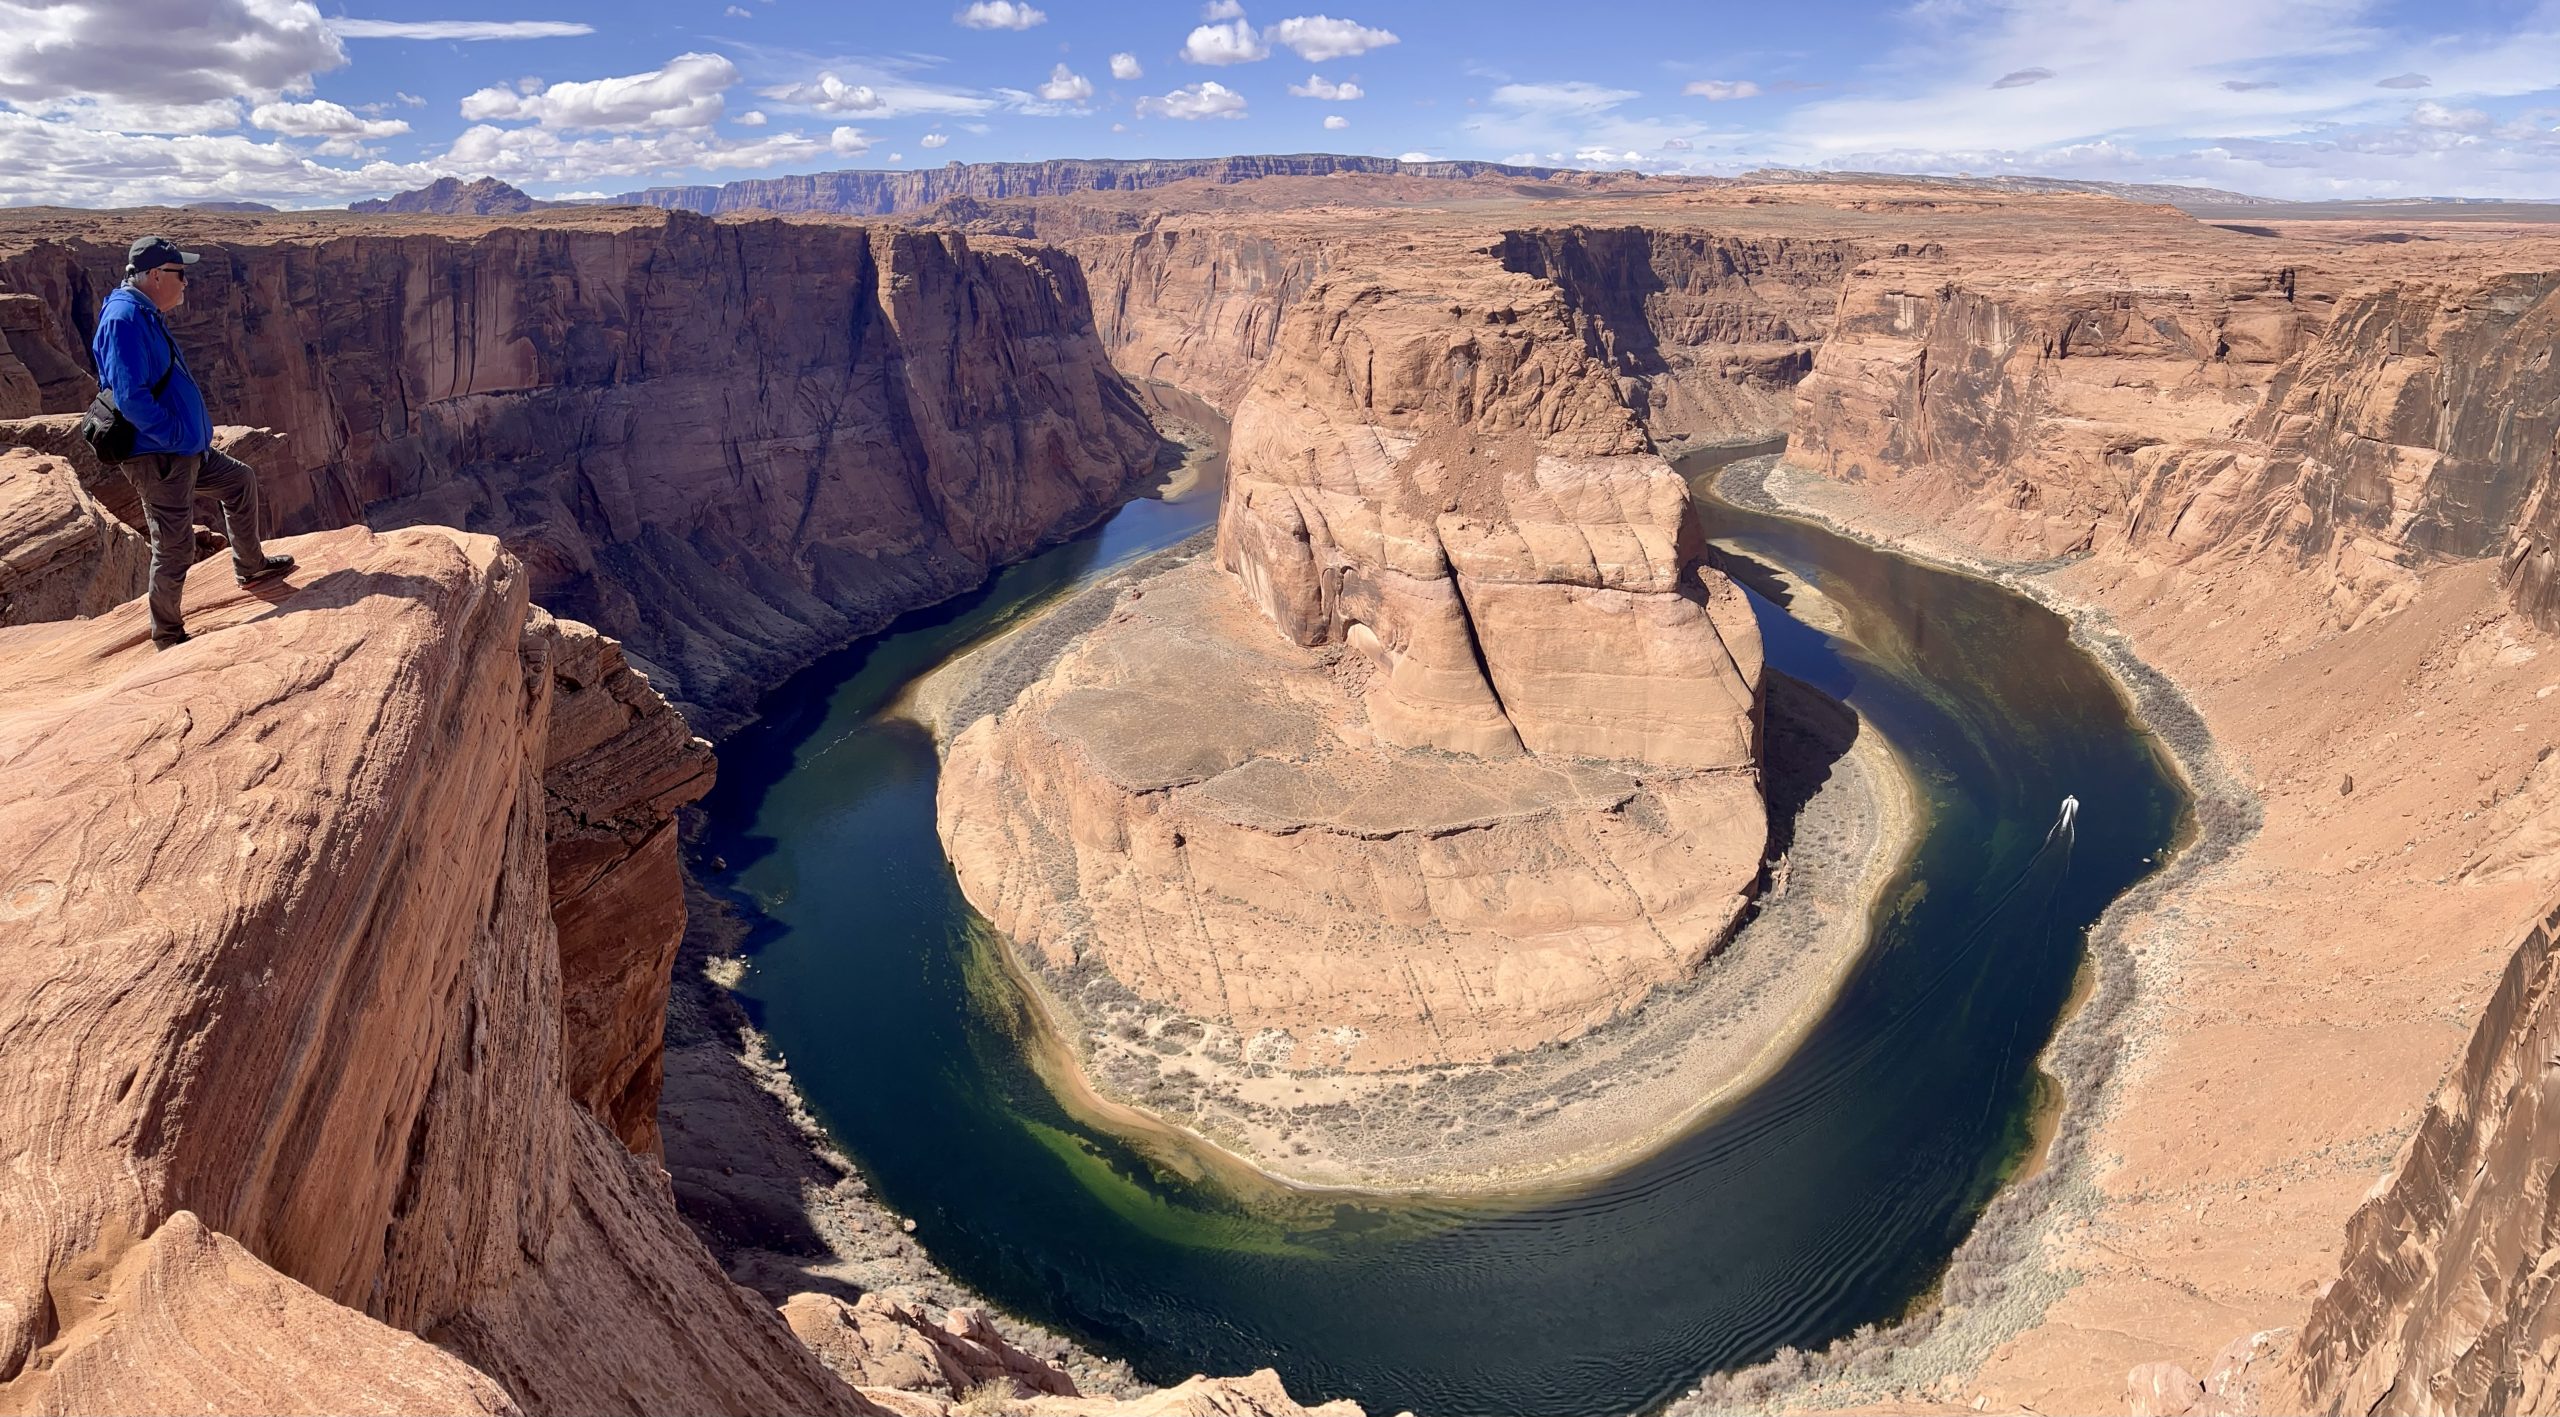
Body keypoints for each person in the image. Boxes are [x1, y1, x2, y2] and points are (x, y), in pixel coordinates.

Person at [92, 235, 293, 648]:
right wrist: (175, 435)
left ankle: (251, 567)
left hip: (184, 450)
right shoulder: (124, 318)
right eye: (179, 274)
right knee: (174, 546)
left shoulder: (144, 313)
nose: (186, 283)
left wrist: (188, 438)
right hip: (159, 455)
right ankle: (167, 635)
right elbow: (130, 397)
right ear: (154, 275)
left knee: (239, 482)